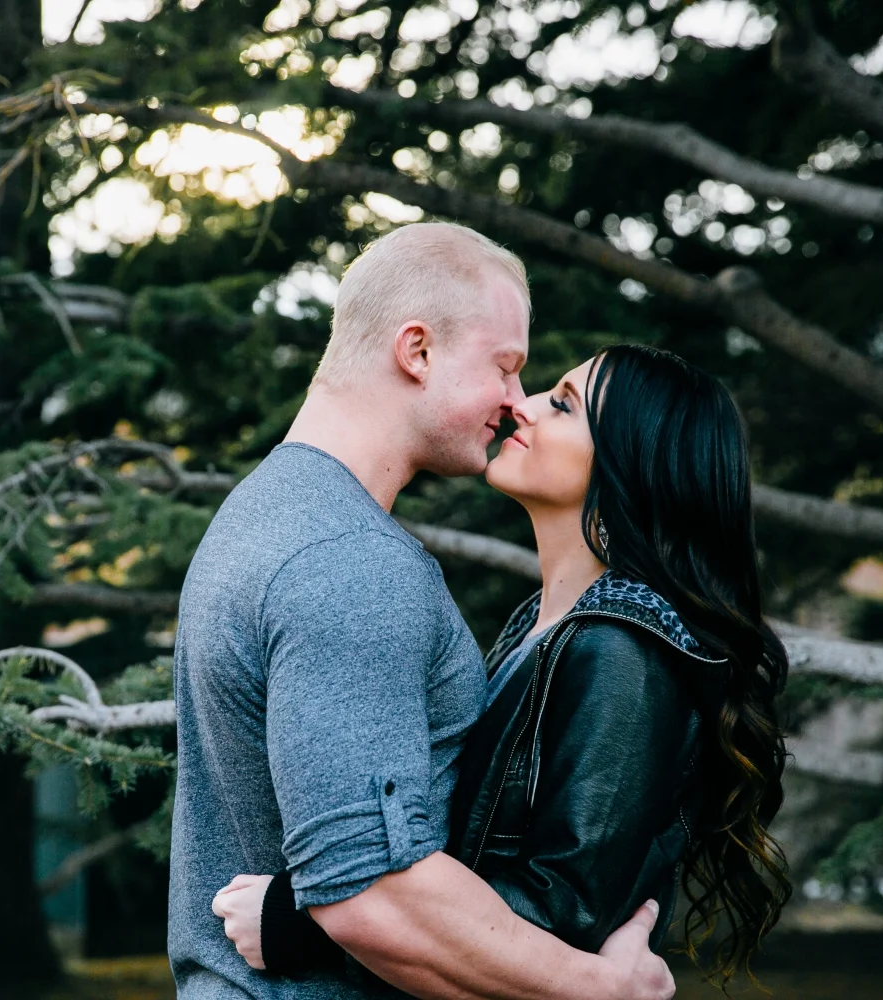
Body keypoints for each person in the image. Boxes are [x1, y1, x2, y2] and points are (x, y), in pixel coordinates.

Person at [169, 221, 677, 1000]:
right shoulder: (347, 560)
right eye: (505, 368)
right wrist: (605, 990)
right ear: (417, 351)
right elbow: (369, 897)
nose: (516, 403)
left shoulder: (267, 513)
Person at [213, 345, 792, 992]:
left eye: (564, 404)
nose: (523, 404)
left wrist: (305, 919)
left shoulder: (626, 654)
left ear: (631, 463)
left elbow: (559, 915)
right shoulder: (543, 630)